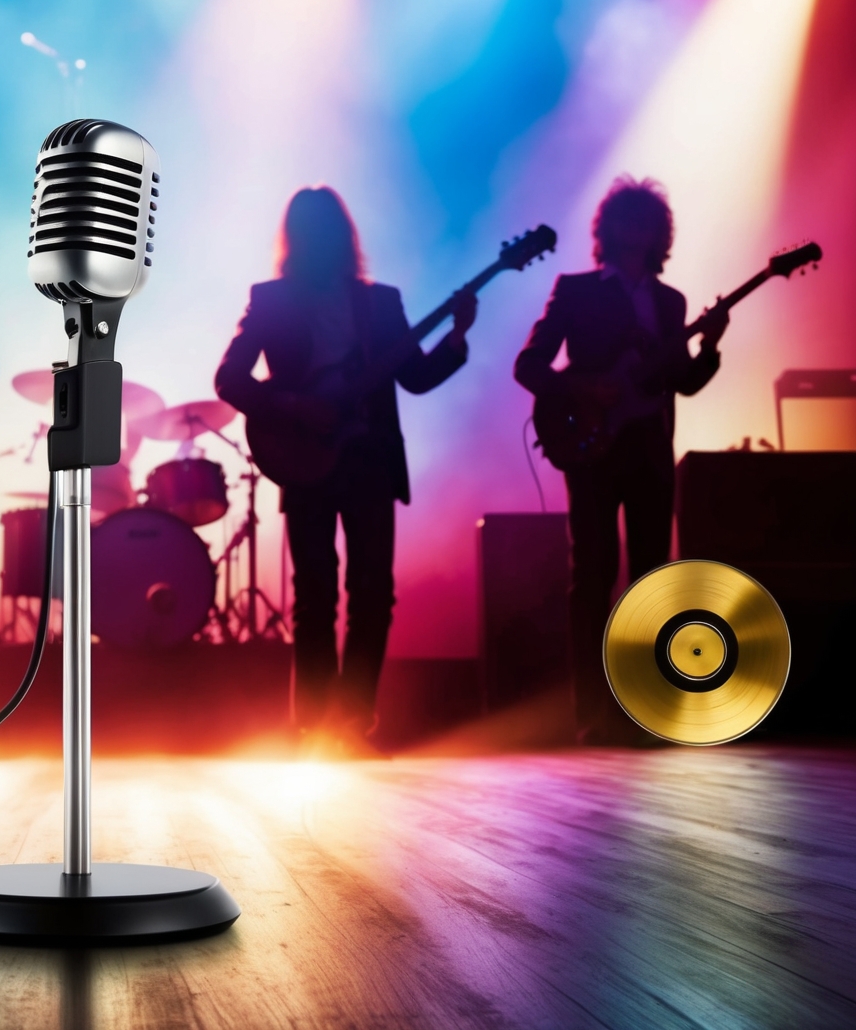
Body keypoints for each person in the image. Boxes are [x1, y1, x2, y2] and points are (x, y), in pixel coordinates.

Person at [215, 187, 476, 750]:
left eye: (327, 229)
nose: (321, 240)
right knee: (314, 592)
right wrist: (288, 405)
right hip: (301, 452)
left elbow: (416, 377)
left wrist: (457, 335)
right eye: (312, 230)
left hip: (370, 455)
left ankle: (353, 719)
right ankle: (312, 721)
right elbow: (229, 380)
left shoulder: (382, 303)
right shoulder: (271, 300)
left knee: (372, 592)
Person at [514, 176, 728, 745]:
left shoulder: (670, 302)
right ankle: (593, 714)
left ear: (659, 235)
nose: (636, 231)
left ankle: (648, 708)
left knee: (653, 578)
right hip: (592, 447)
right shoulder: (576, 291)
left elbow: (681, 382)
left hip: (651, 449)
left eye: (646, 222)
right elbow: (529, 365)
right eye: (626, 220)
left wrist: (708, 346)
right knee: (593, 576)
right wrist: (581, 391)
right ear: (607, 231)